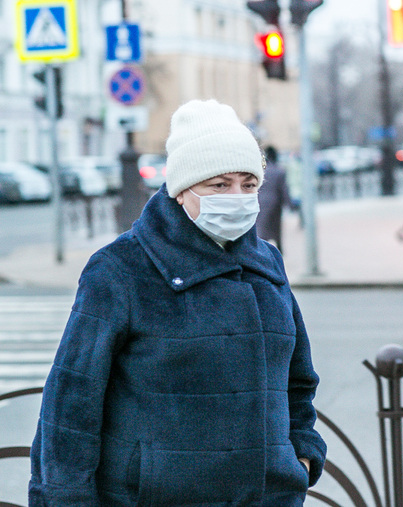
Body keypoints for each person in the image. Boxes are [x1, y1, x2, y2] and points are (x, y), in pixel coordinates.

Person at [29, 99, 326, 506]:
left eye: (248, 184)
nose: (237, 197)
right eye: (219, 185)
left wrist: (302, 454)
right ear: (182, 189)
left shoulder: (267, 263)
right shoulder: (120, 270)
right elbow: (71, 407)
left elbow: (298, 380)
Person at [256, 145, 293, 252]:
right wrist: (289, 204)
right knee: (276, 228)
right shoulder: (279, 171)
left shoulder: (261, 170)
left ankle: (261, 249)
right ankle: (279, 249)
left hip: (260, 202)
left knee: (261, 227)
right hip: (275, 204)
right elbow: (284, 189)